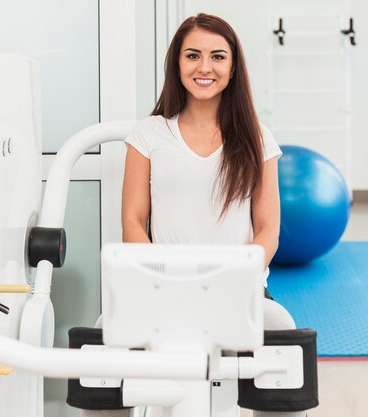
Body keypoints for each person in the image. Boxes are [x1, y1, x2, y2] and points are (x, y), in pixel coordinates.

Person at [118, 13, 306, 417]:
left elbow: (268, 228)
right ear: (177, 64)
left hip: (241, 293)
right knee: (102, 348)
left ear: (233, 67)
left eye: (217, 57)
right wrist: (160, 278)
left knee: (285, 338)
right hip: (160, 290)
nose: (205, 67)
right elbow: (133, 222)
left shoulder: (256, 136)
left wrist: (237, 278)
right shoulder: (149, 134)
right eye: (193, 56)